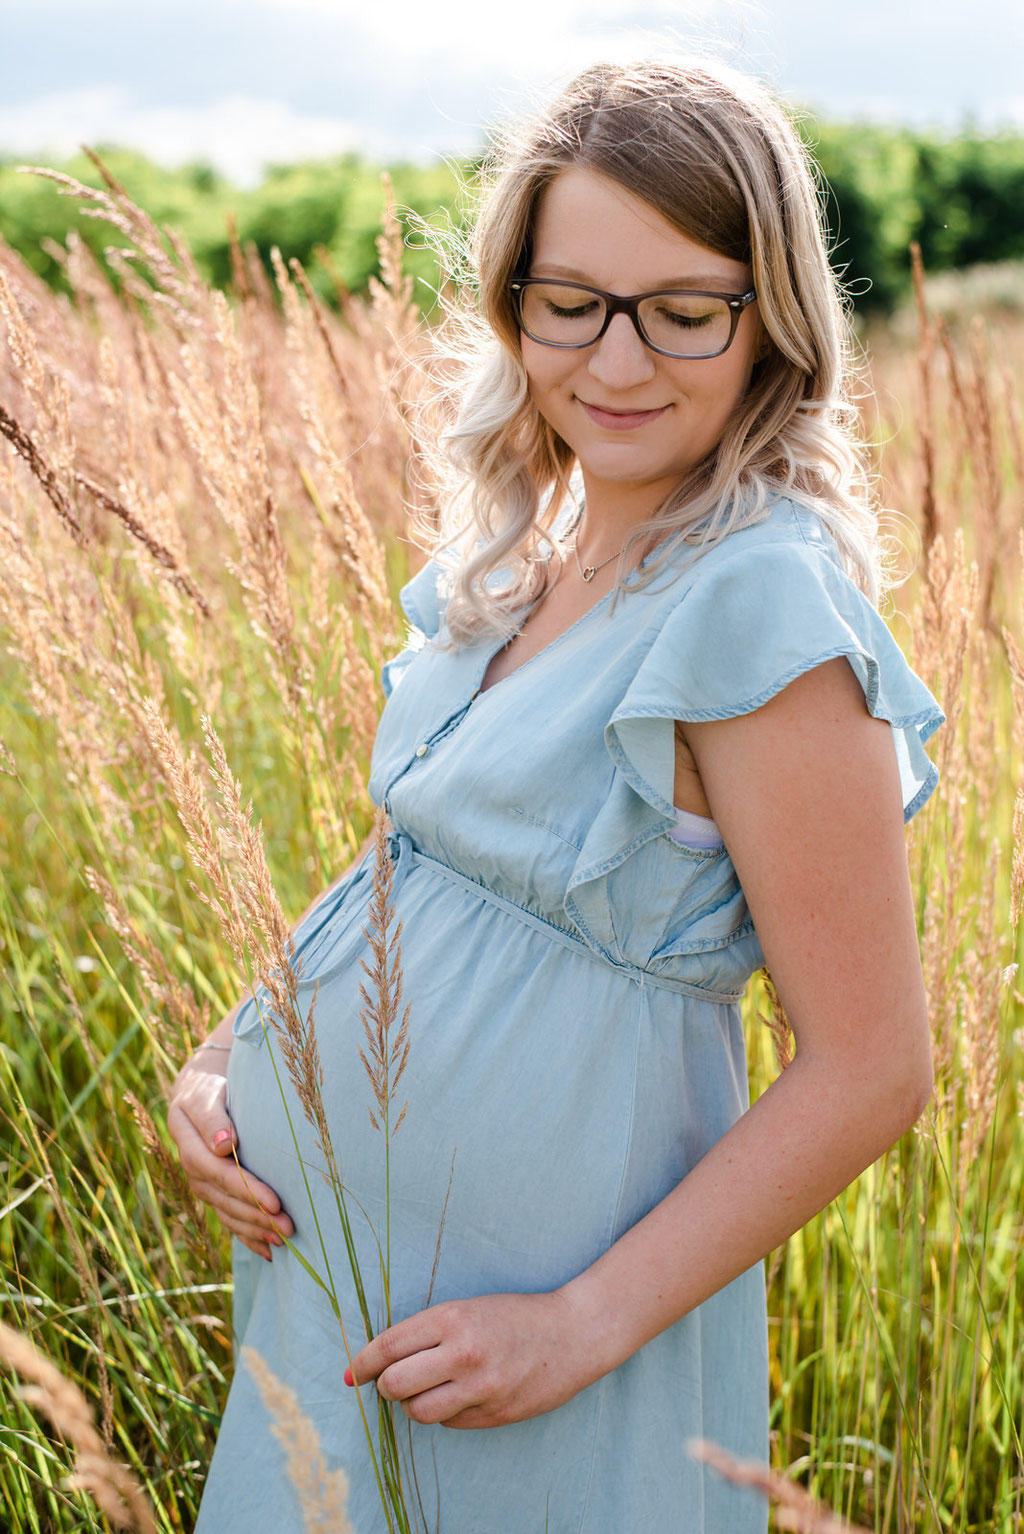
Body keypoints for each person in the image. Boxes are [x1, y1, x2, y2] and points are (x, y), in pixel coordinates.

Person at [170, 57, 942, 1533]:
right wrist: (224, 1066)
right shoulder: (528, 552)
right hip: (343, 1282)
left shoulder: (761, 606)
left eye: (684, 308)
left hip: (545, 1347)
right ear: (512, 300)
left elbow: (870, 1066)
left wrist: (582, 1322)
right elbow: (422, 866)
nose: (618, 360)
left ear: (770, 314)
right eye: (569, 300)